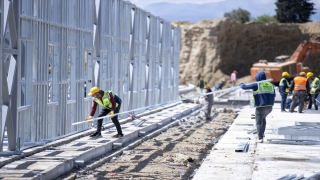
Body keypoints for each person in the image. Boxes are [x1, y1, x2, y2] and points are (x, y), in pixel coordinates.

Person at [239, 71, 275, 143]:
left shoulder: (257, 85)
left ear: (259, 78)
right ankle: (262, 134)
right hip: (270, 107)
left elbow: (244, 87)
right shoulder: (271, 85)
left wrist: (241, 84)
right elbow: (274, 95)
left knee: (258, 122)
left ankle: (260, 138)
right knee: (263, 119)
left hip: (261, 107)